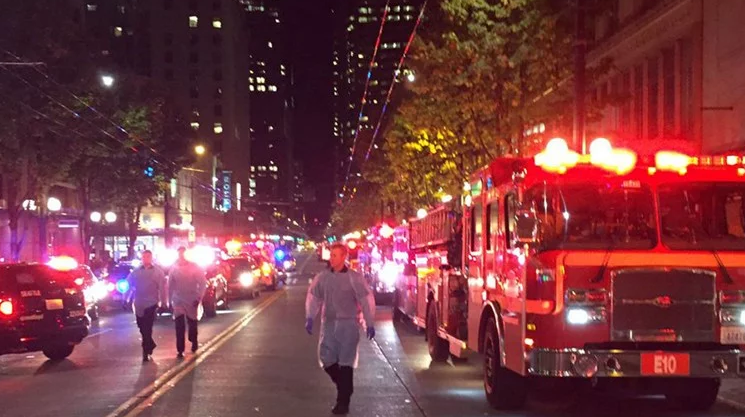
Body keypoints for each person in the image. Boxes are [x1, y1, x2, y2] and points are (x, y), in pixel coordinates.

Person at [305, 243, 376, 415]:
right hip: (329, 324)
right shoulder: (323, 278)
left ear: (344, 257)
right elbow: (313, 297)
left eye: (335, 255)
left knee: (345, 363)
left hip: (348, 326)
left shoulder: (354, 278)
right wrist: (310, 316)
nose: (332, 258)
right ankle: (345, 388)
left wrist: (369, 322)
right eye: (331, 255)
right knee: (327, 359)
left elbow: (366, 299)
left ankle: (343, 402)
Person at [126, 250, 167, 362]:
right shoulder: (136, 271)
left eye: (148, 256)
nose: (146, 258)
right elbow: (129, 284)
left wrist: (163, 303)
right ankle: (150, 343)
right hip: (139, 303)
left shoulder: (158, 272)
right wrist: (125, 298)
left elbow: (162, 288)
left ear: (151, 258)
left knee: (147, 327)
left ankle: (145, 349)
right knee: (141, 326)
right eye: (144, 257)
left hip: (151, 303)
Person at [168, 247, 208, 358]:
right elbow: (170, 285)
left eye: (183, 253)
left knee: (192, 323)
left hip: (191, 299)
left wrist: (199, 297)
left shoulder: (194, 267)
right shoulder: (174, 268)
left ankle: (193, 339)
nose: (181, 256)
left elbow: (202, 283)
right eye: (179, 254)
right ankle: (180, 349)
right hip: (178, 300)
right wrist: (169, 301)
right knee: (179, 325)